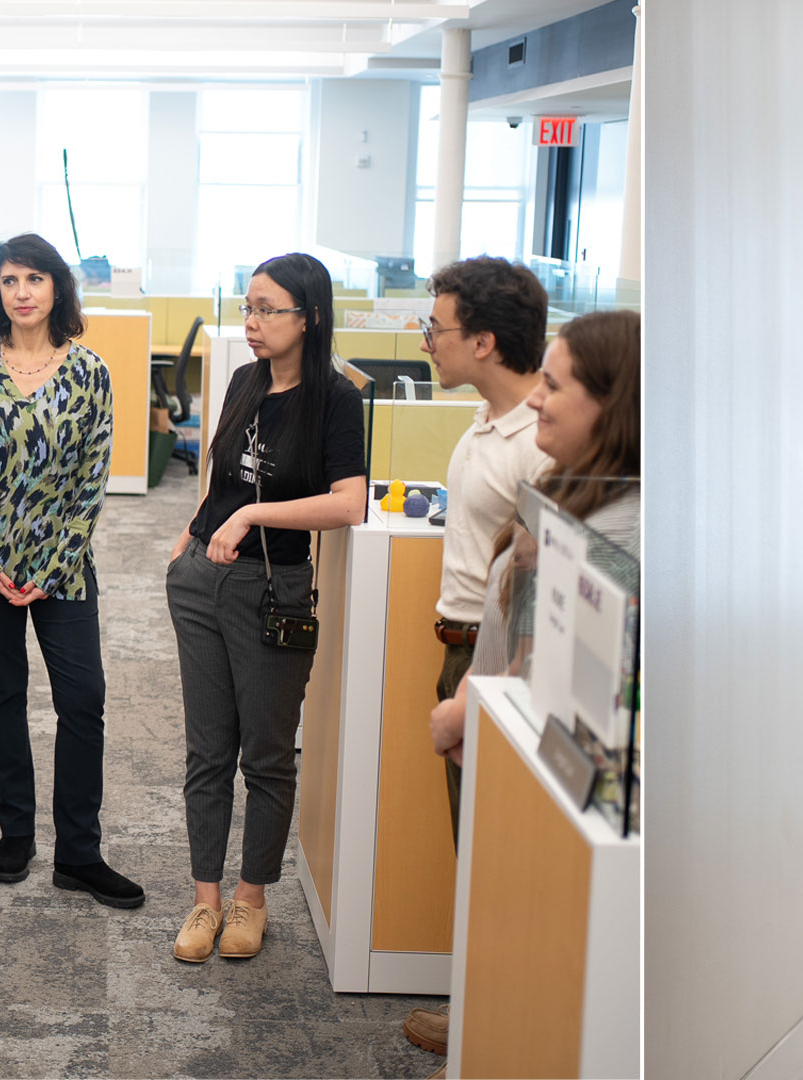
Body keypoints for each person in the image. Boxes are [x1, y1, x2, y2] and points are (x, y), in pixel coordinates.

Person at [420, 307, 640, 1080]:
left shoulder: (616, 533)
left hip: (552, 766)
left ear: (609, 405)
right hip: (502, 731)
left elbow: (563, 684)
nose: (537, 399)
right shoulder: (568, 492)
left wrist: (467, 710)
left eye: (555, 385)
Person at [166, 252, 368, 963]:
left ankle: (251, 898)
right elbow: (221, 477)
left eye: (265, 309)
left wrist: (252, 514)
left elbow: (349, 503)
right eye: (247, 307)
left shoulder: (335, 398)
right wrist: (190, 535)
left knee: (267, 755)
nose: (250, 323)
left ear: (307, 317)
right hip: (201, 579)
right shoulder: (245, 380)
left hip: (271, 590)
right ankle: (205, 899)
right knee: (207, 750)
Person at [0, 234, 140, 907]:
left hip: (64, 567)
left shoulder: (89, 372)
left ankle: (79, 852)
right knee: (5, 695)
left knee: (83, 699)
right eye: (8, 280)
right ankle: (15, 834)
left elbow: (91, 480)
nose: (21, 292)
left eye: (34, 279)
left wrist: (52, 567)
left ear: (57, 288)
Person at [401, 256, 553, 1063]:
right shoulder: (488, 421)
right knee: (475, 847)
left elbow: (540, 585)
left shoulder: (539, 440)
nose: (428, 341)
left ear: (485, 341)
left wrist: (486, 687)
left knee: (495, 855)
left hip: (490, 662)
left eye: (439, 328)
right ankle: (478, 1011)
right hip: (460, 649)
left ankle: (488, 1032)